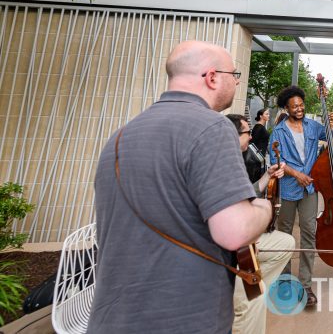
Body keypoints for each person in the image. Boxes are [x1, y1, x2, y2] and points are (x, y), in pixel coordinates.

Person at [89, 41, 273, 334]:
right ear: (212, 77)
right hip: (185, 316)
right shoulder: (213, 127)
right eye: (233, 74)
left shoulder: (121, 136)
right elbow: (234, 231)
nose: (237, 81)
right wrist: (263, 208)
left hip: (112, 318)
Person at [268, 85, 333, 309]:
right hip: (289, 189)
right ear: (287, 108)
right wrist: (296, 174)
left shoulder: (312, 126)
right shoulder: (278, 132)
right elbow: (275, 160)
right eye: (294, 106)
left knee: (310, 233)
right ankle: (285, 281)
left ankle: (306, 285)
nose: (299, 109)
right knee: (285, 236)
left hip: (309, 189)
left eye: (301, 105)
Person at [225, 114, 294, 334]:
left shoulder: (235, 159)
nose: (251, 138)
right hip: (227, 248)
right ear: (233, 136)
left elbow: (248, 194)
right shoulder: (221, 164)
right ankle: (246, 293)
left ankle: (256, 282)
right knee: (250, 301)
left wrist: (268, 175)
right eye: (247, 133)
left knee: (286, 243)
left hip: (240, 239)